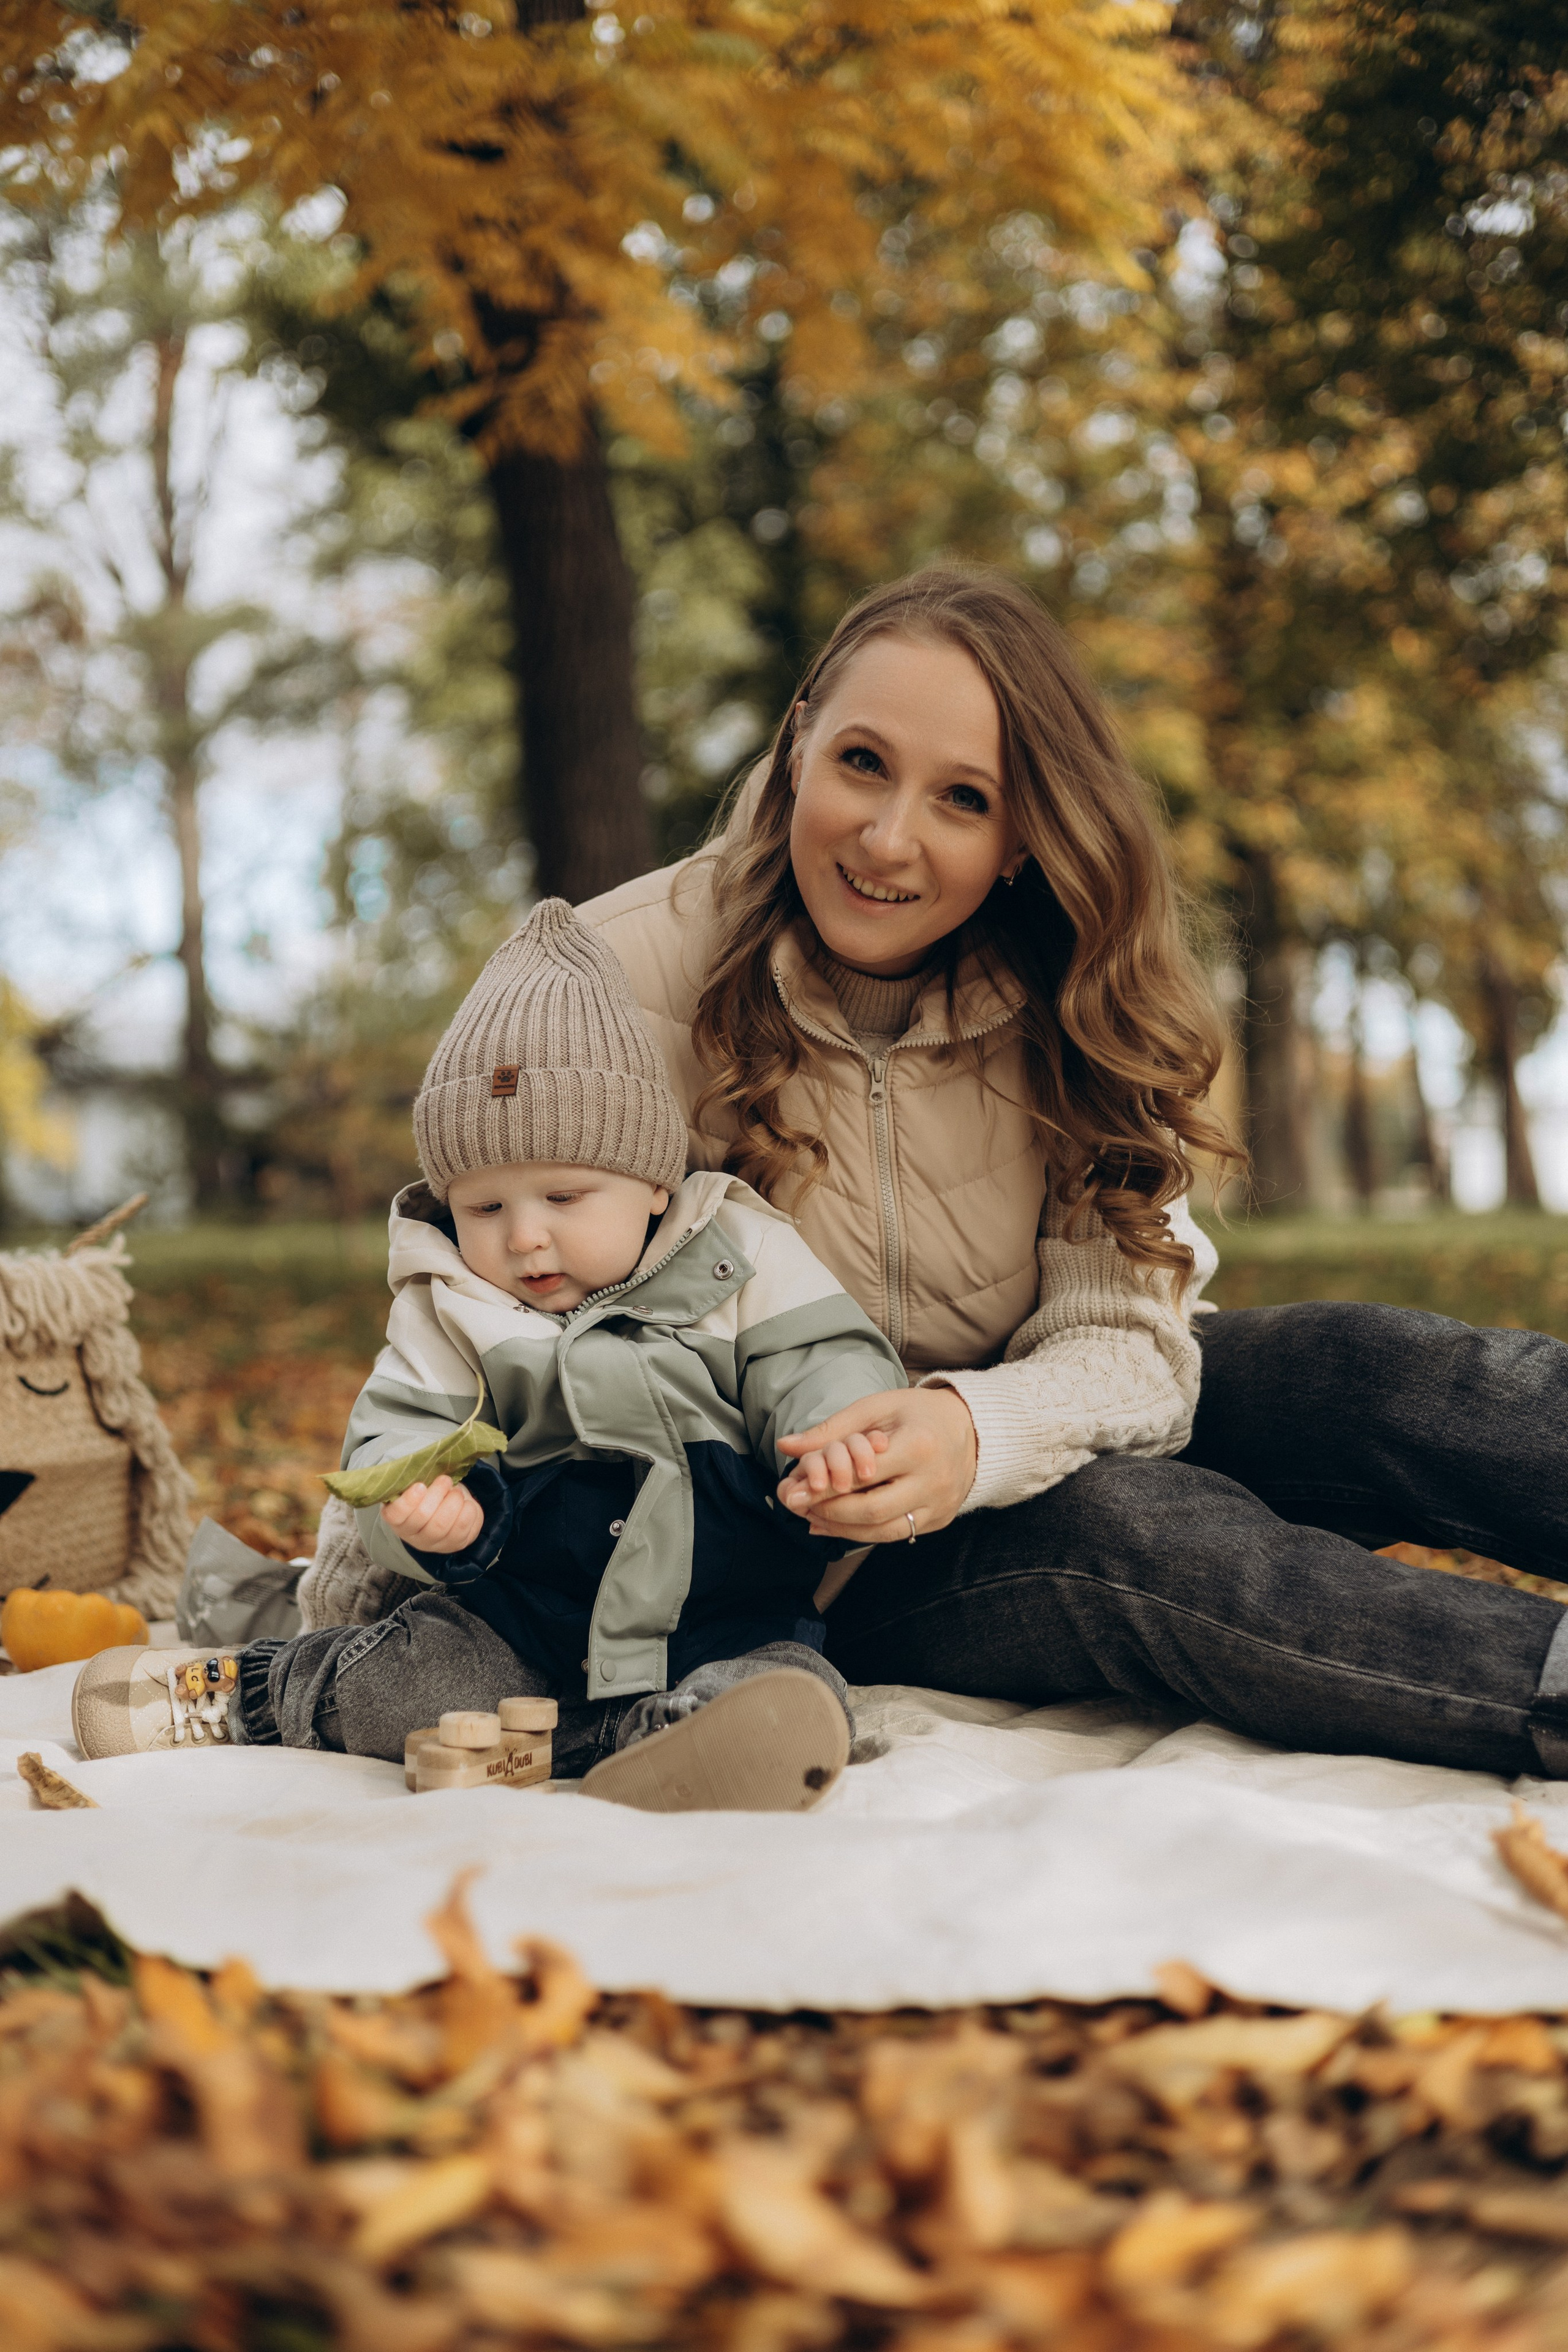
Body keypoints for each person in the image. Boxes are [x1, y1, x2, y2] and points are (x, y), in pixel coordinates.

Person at [572, 562, 1568, 1785]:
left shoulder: (1073, 987)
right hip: (808, 1551)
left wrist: (972, 1426)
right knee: (1130, 1533)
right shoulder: (615, 980)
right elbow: (481, 1312)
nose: (888, 838)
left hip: (1026, 1417)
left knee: (1373, 1370)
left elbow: (1135, 1348)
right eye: (861, 763)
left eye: (961, 798)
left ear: (1016, 839)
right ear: (796, 750)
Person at [72, 899, 907, 1808]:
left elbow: (825, 1358)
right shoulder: (454, 1308)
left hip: (721, 1619)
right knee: (415, 1683)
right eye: (485, 1209)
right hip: (515, 1626)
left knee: (793, 1692)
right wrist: (429, 1515)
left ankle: (679, 1741)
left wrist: (835, 1437)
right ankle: (254, 1691)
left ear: (655, 1183)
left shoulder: (739, 1256)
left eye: (564, 1195)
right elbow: (388, 1445)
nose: (525, 1242)